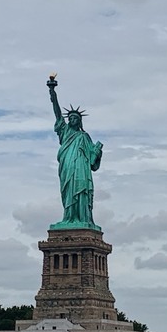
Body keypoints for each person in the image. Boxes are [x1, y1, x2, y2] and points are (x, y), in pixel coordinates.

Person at [47, 78, 103, 229]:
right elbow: (57, 113)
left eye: (75, 118)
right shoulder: (64, 131)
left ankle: (83, 218)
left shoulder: (84, 137)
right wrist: (52, 92)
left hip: (81, 169)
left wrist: (97, 152)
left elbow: (93, 161)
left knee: (81, 190)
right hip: (67, 166)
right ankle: (69, 217)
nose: (72, 120)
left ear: (79, 122)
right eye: (70, 118)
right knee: (68, 191)